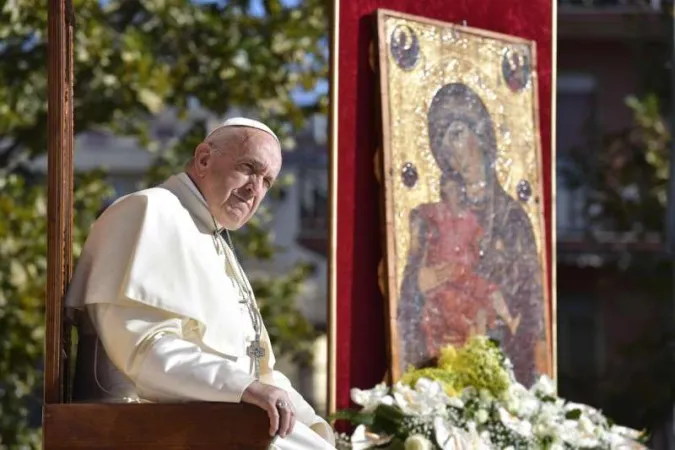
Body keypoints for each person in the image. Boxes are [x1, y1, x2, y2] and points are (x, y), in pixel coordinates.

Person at [65, 117, 336, 450]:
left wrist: (316, 425)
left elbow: (258, 371)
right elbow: (146, 352)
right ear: (204, 159)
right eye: (249, 167)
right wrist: (244, 389)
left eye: (267, 181)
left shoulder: (214, 238)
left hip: (213, 421)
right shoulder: (151, 210)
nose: (256, 189)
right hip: (146, 429)